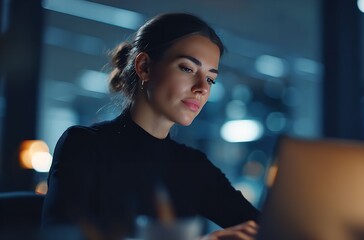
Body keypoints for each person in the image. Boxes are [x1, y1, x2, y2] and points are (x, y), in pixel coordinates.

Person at [41, 12, 260, 240]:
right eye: (187, 68)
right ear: (144, 66)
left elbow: (269, 229)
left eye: (210, 79)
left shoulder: (193, 166)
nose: (202, 88)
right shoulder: (84, 145)